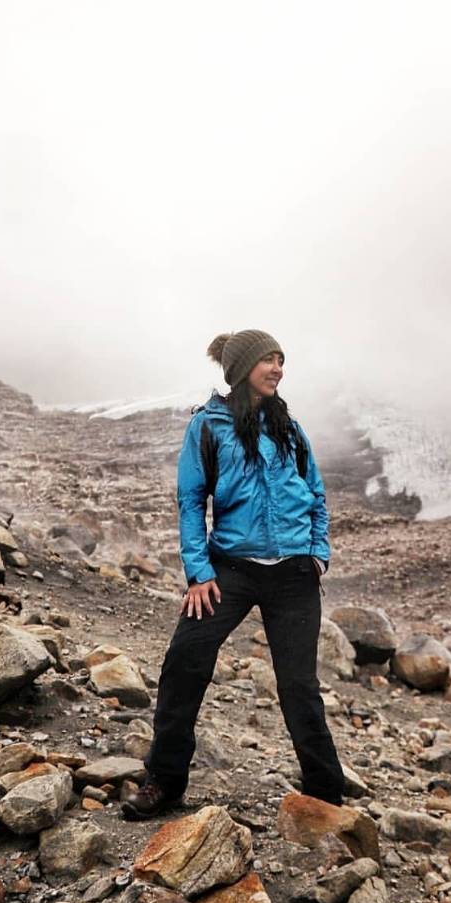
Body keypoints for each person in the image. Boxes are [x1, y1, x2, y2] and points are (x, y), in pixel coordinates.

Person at [122, 329, 346, 820]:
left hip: (294, 573)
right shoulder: (208, 426)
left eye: (281, 359)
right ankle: (164, 781)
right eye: (268, 359)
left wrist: (318, 552)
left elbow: (317, 493)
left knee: (299, 685)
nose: (278, 368)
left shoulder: (290, 426)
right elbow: (190, 502)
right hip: (229, 569)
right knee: (185, 662)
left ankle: (327, 795)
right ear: (242, 368)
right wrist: (199, 573)